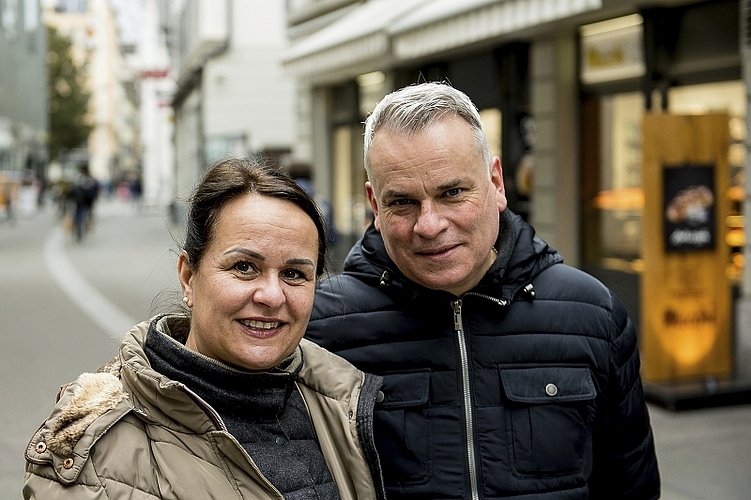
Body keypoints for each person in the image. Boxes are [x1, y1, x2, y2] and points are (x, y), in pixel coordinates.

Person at [306, 82, 660, 499]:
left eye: (452, 193)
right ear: (374, 206)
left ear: (496, 183)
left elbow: (630, 490)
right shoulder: (320, 329)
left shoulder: (592, 315)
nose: (430, 225)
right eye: (402, 202)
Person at [24, 158, 386, 500]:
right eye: (244, 267)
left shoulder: (345, 403)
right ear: (188, 277)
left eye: (294, 274)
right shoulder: (90, 451)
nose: (272, 296)